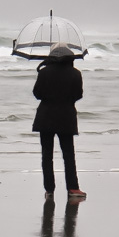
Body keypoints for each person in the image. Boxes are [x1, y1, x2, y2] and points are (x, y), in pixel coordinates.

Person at [32, 45, 87, 199]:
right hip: (66, 117)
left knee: (47, 155)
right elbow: (78, 95)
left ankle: (49, 189)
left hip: (45, 117)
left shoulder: (44, 72)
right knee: (69, 154)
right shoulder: (76, 74)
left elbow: (37, 94)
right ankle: (73, 188)